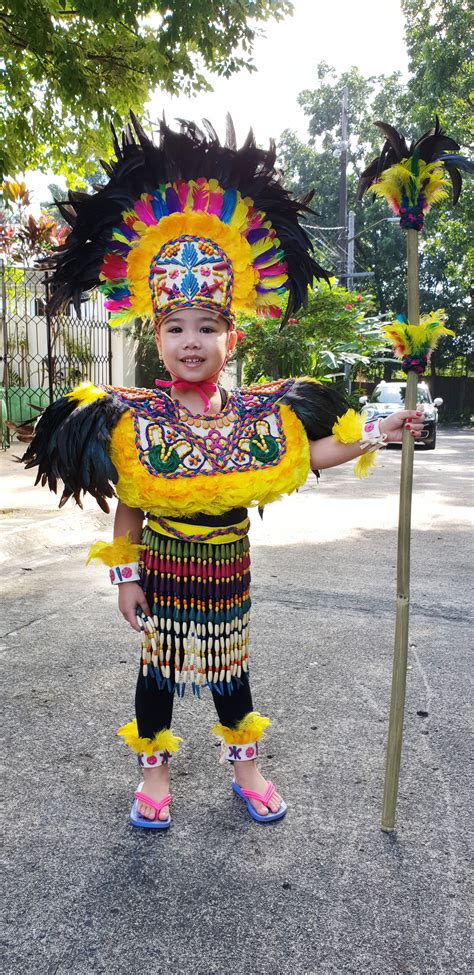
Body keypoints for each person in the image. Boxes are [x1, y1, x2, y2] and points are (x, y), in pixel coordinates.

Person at [24, 115, 424, 829]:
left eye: (206, 326)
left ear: (230, 334)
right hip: (165, 567)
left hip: (228, 570)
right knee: (157, 676)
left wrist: (384, 434)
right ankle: (154, 778)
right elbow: (131, 505)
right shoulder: (130, 416)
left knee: (232, 671)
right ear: (155, 333)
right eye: (176, 326)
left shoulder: (258, 413)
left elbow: (312, 456)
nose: (190, 342)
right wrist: (125, 576)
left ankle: (246, 764)